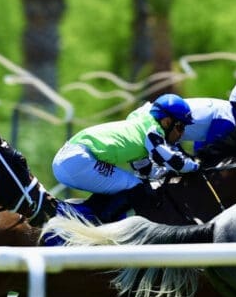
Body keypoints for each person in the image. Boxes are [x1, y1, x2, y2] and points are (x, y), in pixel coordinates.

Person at [52, 93, 200, 221]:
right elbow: (175, 162)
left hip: (71, 157)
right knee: (135, 186)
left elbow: (145, 170)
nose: (182, 134)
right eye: (180, 127)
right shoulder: (153, 132)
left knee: (130, 185)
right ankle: (99, 223)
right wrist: (198, 165)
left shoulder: (142, 124)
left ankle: (94, 216)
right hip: (77, 159)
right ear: (167, 122)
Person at [128, 73, 236, 153]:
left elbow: (199, 145)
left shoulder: (224, 111)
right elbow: (204, 153)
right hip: (146, 126)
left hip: (144, 120)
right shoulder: (227, 120)